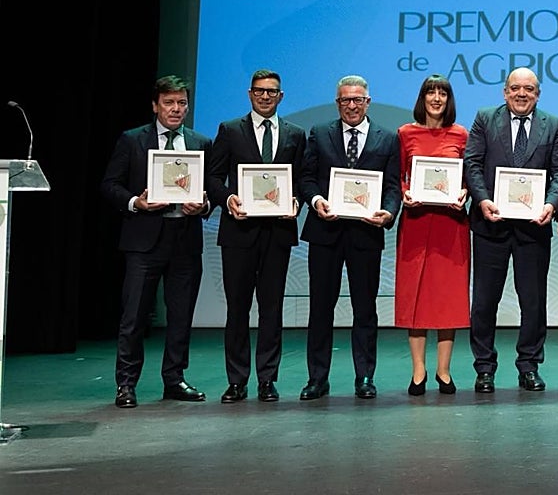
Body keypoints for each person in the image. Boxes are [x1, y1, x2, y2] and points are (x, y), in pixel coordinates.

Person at [100, 75, 212, 409]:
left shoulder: (200, 143)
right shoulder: (132, 140)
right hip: (144, 241)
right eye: (169, 103)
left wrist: (204, 205)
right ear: (155, 105)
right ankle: (126, 384)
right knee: (134, 317)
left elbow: (209, 191)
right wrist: (137, 202)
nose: (176, 109)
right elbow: (110, 185)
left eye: (181, 103)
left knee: (181, 316)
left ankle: (174, 379)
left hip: (185, 239)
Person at [464, 66, 558, 393]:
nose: (521, 94)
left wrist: (551, 205)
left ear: (537, 94)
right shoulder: (485, 118)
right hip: (490, 225)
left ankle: (529, 365)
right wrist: (482, 200)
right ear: (505, 92)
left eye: (528, 89)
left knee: (533, 302)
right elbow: (472, 163)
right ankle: (484, 368)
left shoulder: (553, 125)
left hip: (532, 228)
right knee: (484, 301)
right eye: (515, 88)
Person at [204, 68, 306, 404]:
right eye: (260, 91)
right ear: (250, 94)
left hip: (277, 232)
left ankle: (267, 379)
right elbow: (214, 177)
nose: (265, 96)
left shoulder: (295, 134)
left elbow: (302, 180)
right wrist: (227, 199)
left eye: (272, 91)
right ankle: (236, 380)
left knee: (272, 308)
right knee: (237, 308)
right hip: (239, 231)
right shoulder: (230, 130)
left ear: (281, 96)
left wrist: (296, 200)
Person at [297, 74, 401, 401]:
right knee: (320, 309)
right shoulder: (319, 134)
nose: (352, 105)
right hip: (325, 232)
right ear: (337, 102)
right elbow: (307, 178)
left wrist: (388, 212)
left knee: (365, 308)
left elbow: (393, 186)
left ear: (368, 102)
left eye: (358, 100)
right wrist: (316, 202)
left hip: (366, 233)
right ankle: (317, 378)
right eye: (345, 100)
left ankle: (365, 376)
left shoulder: (387, 138)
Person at [395, 74, 470, 396]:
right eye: (430, 92)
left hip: (450, 224)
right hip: (416, 221)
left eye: (442, 93)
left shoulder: (461, 134)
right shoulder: (405, 133)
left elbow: (469, 175)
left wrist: (465, 191)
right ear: (422, 98)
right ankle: (417, 371)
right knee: (416, 296)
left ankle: (443, 370)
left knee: (447, 297)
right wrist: (404, 192)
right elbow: (397, 176)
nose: (436, 98)